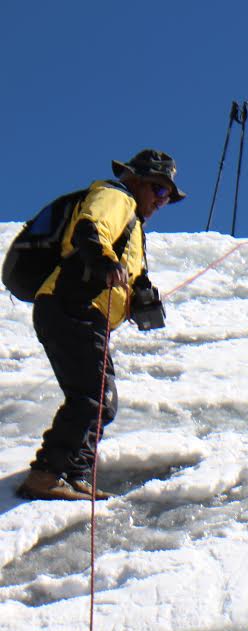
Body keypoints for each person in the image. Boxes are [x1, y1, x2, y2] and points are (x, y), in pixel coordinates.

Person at [16, 149, 185, 501]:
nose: (160, 201)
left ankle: (77, 473)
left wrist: (140, 292)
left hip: (85, 314)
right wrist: (104, 260)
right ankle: (46, 475)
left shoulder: (135, 225)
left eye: (166, 196)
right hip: (71, 304)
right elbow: (90, 230)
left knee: (101, 401)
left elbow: (128, 268)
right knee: (91, 397)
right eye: (158, 189)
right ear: (135, 179)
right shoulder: (115, 196)